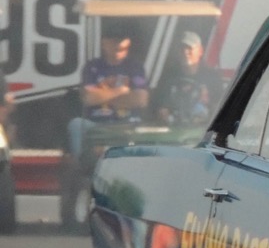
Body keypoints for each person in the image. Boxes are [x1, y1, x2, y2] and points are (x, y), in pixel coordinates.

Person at [67, 24, 148, 161]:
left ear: (128, 42)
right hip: (97, 123)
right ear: (104, 43)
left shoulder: (135, 66)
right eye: (114, 41)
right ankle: (82, 167)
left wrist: (102, 95)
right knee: (76, 124)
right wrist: (121, 91)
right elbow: (88, 98)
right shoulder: (92, 66)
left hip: (127, 124)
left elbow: (140, 100)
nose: (118, 45)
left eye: (122, 40)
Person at [152, 31, 225, 125]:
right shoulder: (168, 76)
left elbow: (219, 109)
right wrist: (162, 113)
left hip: (201, 130)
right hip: (171, 129)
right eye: (182, 48)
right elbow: (158, 106)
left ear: (200, 51)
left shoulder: (212, 77)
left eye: (189, 48)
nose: (185, 52)